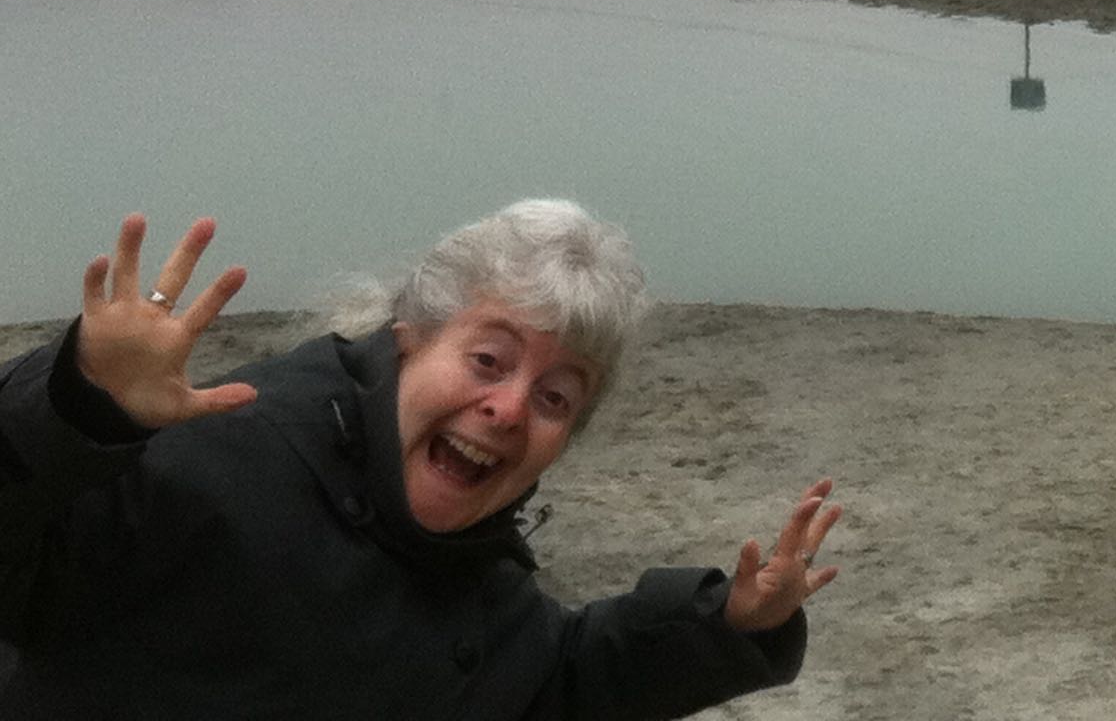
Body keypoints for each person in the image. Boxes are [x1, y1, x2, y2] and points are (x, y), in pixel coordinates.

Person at [0, 201, 839, 717]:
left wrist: (725, 626)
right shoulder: (211, 469)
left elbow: (562, 686)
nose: (509, 408)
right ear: (407, 340)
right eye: (488, 359)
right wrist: (75, 405)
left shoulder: (481, 591)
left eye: (556, 397)